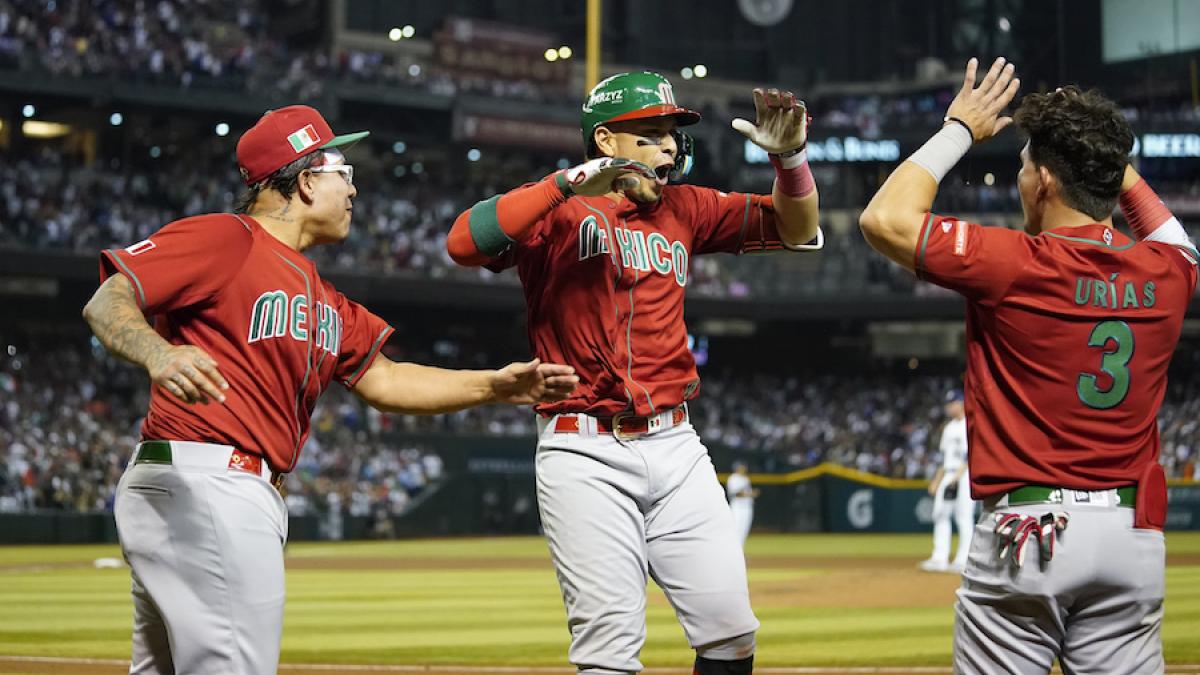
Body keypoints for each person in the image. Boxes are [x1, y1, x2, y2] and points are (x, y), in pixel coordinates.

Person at [81, 104, 578, 675]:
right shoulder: (226, 236)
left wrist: (492, 386)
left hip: (208, 487)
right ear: (307, 178)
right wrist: (159, 352)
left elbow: (386, 378)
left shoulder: (321, 292)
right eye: (345, 172)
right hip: (209, 480)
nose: (354, 190)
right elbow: (107, 299)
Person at [447, 71, 822, 675]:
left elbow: (799, 228)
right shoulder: (556, 210)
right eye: (649, 135)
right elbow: (464, 243)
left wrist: (790, 159)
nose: (669, 147)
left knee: (731, 633)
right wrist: (564, 185)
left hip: (677, 445)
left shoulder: (688, 207)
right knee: (610, 650)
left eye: (672, 134)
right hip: (583, 450)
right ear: (605, 142)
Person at [859, 57, 1196, 674]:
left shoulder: (1016, 263)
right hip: (1132, 537)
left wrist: (958, 128)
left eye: (1022, 169)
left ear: (1042, 181)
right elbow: (1177, 240)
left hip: (1032, 533)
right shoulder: (1168, 274)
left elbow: (883, 220)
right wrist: (1108, 163)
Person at [919, 389, 974, 573]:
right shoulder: (949, 428)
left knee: (963, 517)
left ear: (961, 403)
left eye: (953, 403)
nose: (949, 407)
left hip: (964, 475)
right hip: (948, 473)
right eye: (948, 404)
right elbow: (944, 458)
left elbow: (970, 456)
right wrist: (937, 480)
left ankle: (963, 560)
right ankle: (939, 558)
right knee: (940, 514)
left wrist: (957, 478)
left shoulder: (969, 424)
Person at [726, 461, 759, 547]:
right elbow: (736, 493)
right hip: (738, 508)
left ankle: (740, 552)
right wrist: (751, 494)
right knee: (736, 530)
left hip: (747, 507)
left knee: (744, 531)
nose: (744, 468)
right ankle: (733, 552)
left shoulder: (745, 478)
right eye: (742, 466)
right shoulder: (733, 478)